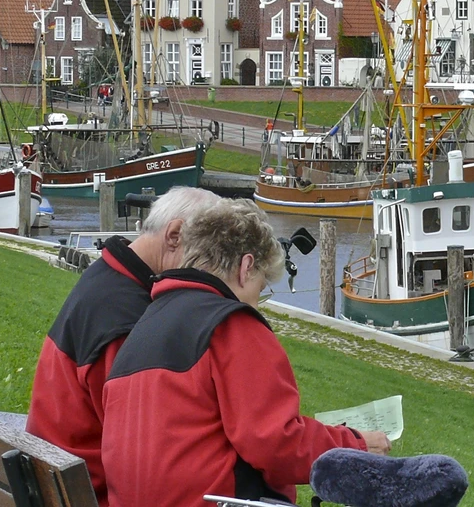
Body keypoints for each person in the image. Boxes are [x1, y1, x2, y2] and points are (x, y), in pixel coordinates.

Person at [102, 200, 387, 507]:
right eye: (261, 287)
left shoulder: (144, 325)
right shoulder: (230, 325)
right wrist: (355, 446)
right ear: (246, 266)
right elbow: (277, 443)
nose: (256, 300)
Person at [26, 186, 223, 507]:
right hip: (89, 494)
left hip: (57, 478)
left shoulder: (107, 277)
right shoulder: (127, 319)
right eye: (208, 256)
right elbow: (142, 452)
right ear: (174, 236)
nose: (211, 273)